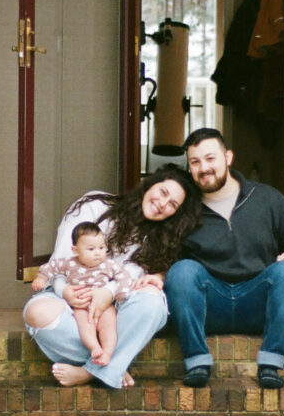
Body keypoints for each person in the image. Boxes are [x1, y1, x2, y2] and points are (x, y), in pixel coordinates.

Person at [23, 167, 201, 389]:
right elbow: (61, 263)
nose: (163, 204)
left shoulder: (157, 243)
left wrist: (107, 294)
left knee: (153, 303)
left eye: (173, 204)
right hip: (69, 297)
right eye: (163, 192)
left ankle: (91, 371)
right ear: (149, 184)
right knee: (37, 313)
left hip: (115, 311)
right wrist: (66, 292)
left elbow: (130, 283)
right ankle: (114, 364)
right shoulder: (94, 206)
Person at [164, 127, 284, 390]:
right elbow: (166, 257)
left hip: (258, 302)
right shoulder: (184, 208)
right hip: (210, 304)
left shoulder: (265, 198)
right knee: (182, 271)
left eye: (210, 158)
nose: (204, 168)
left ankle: (270, 363)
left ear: (228, 157)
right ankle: (197, 361)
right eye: (195, 162)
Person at [32, 222, 136, 366]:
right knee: (85, 326)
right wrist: (41, 278)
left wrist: (121, 293)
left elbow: (123, 275)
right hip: (81, 305)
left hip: (104, 305)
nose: (98, 253)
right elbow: (51, 267)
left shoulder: (108, 265)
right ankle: (94, 347)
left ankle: (107, 353)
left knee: (109, 326)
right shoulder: (69, 263)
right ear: (76, 250)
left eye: (101, 247)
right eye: (91, 249)